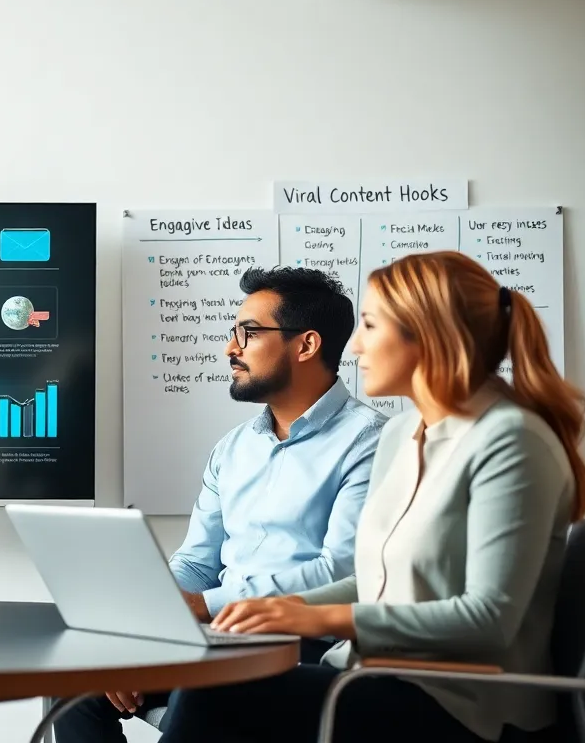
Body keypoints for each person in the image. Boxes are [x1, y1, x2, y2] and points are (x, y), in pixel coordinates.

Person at [160, 250, 585, 742]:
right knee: (208, 683)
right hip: (368, 673)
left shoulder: (511, 440)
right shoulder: (405, 433)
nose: (358, 347)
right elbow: (374, 581)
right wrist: (282, 607)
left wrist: (314, 615)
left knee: (211, 695)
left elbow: (488, 620)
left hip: (461, 701)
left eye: (370, 325)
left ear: (427, 334)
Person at [55, 267, 386, 743]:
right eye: (233, 333)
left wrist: (205, 606)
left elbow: (339, 570)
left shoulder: (369, 443)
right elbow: (195, 560)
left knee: (204, 692)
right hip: (216, 638)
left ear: (306, 345)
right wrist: (150, 613)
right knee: (81, 684)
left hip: (305, 643)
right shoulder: (234, 447)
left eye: (247, 333)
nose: (231, 348)